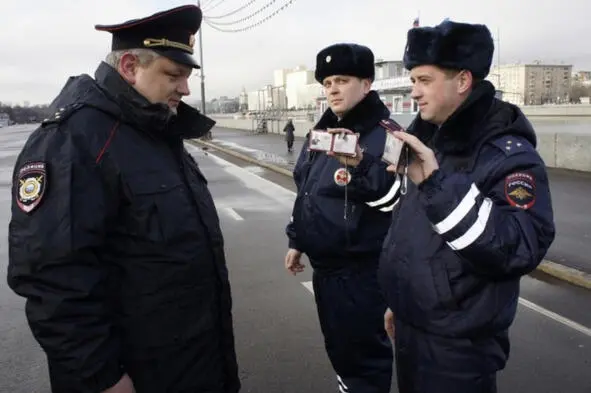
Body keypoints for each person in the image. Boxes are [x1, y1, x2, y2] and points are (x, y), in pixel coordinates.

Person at [7, 5, 240, 393]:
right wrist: (102, 377)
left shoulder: (154, 130)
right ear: (130, 66)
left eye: (186, 77)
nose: (184, 89)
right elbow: (52, 279)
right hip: (134, 374)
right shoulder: (75, 139)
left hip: (190, 363)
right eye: (174, 75)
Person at [378, 20, 556, 393]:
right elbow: (418, 239)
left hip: (458, 349)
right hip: (414, 330)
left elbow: (520, 247)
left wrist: (437, 186)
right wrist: (403, 302)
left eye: (424, 81)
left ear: (462, 81)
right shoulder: (432, 142)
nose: (414, 93)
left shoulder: (507, 155)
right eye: (413, 81)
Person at [285, 43, 401, 393]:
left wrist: (362, 165)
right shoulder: (321, 133)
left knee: (364, 360)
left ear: (366, 85)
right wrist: (297, 240)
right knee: (341, 351)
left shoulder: (389, 135)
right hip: (328, 270)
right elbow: (307, 191)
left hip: (362, 273)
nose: (333, 88)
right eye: (328, 82)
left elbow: (397, 201)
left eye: (343, 80)